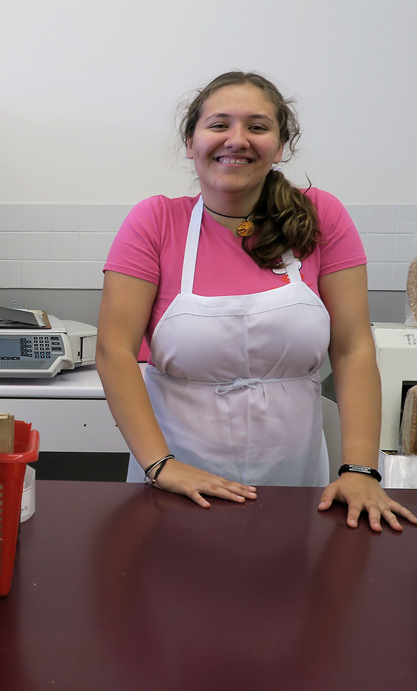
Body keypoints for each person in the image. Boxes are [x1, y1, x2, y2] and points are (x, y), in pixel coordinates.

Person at [96, 70, 417, 531]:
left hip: (294, 484)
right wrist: (161, 466)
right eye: (219, 124)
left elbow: (352, 350)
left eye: (258, 127)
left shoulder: (320, 216)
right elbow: (114, 352)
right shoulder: (155, 222)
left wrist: (361, 470)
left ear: (280, 145)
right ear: (191, 141)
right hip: (177, 481)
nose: (237, 139)